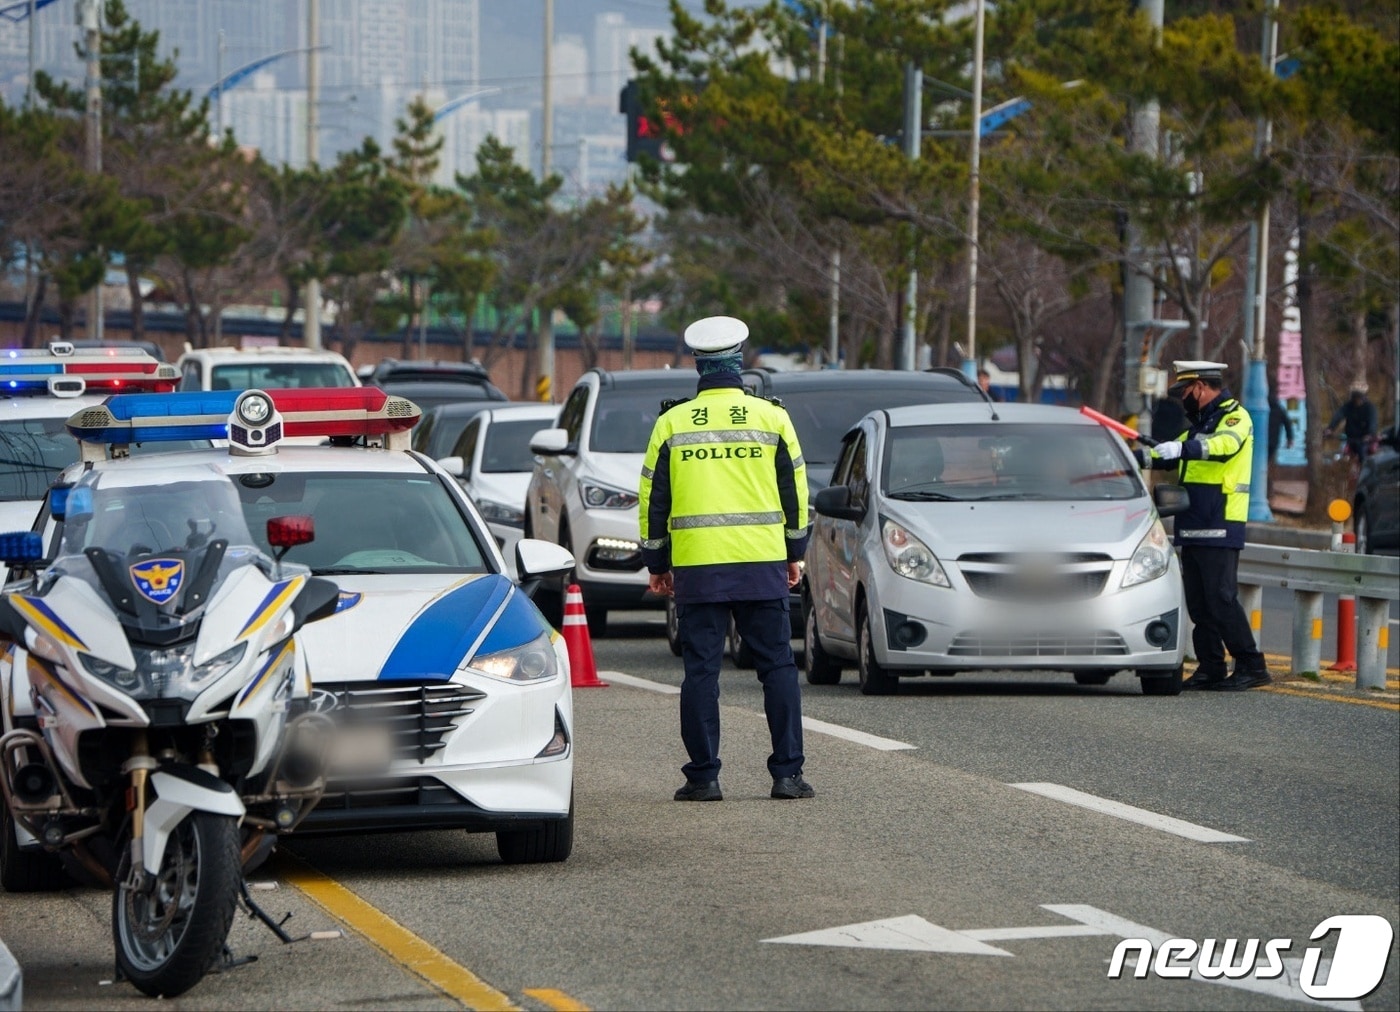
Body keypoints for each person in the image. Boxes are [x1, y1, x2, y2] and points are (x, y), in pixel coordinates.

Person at [638, 315, 814, 801]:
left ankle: (703, 777)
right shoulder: (771, 417)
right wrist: (793, 553)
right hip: (762, 562)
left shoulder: (672, 422)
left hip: (698, 567)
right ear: (741, 360)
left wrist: (657, 564)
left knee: (701, 672)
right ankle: (786, 775)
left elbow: (654, 498)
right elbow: (795, 492)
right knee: (777, 667)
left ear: (698, 364)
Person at [1134, 361, 1270, 691]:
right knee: (1199, 601)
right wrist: (1132, 458)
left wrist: (1182, 447)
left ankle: (1251, 664)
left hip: (1220, 521)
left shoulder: (1234, 417)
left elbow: (1223, 447)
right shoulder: (1200, 425)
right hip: (1194, 522)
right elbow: (1170, 454)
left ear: (1199, 387)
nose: (1183, 399)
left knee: (1221, 598)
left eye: (1185, 392)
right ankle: (1211, 666)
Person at [1324, 384, 1379, 462]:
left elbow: (1373, 423)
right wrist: (1330, 428)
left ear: (1363, 397)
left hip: (1364, 440)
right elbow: (1338, 415)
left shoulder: (1370, 408)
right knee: (1341, 456)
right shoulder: (1348, 406)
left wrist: (1369, 434)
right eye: (1354, 396)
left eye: (1358, 397)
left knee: (1363, 455)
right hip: (1350, 438)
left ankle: (1363, 470)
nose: (1356, 400)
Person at [1268, 390, 1295, 462]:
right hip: (1274, 441)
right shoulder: (1279, 410)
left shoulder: (1262, 409)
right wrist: (1290, 438)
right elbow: (1288, 425)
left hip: (1260, 440)